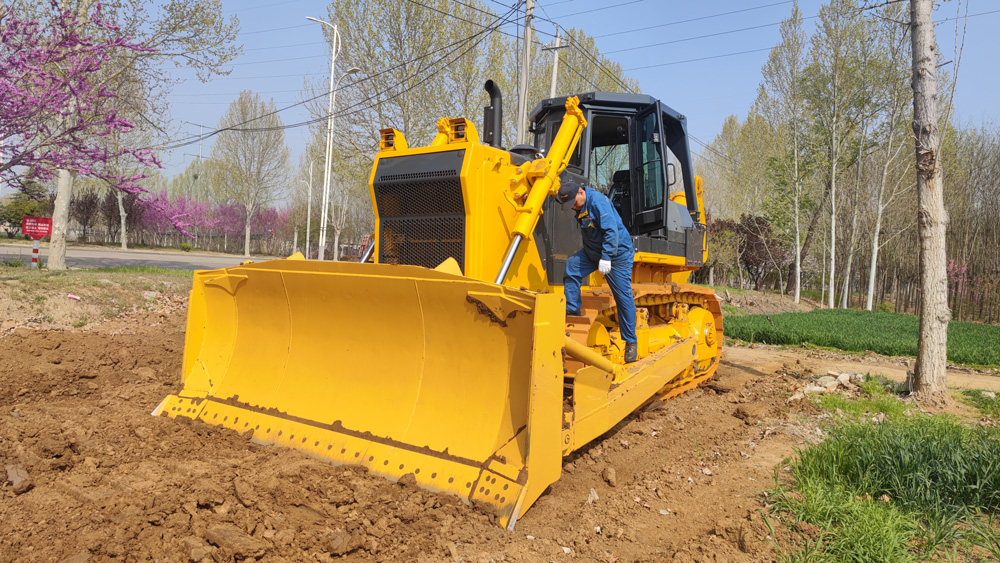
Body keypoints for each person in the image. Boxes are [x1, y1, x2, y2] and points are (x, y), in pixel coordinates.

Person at [555, 181, 638, 363]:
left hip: (616, 255)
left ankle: (631, 342)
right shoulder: (576, 198)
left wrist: (607, 257)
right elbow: (559, 195)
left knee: (623, 296)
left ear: (581, 192)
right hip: (593, 252)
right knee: (572, 266)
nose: (573, 208)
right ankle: (572, 309)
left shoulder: (598, 203)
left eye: (573, 203)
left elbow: (611, 231)